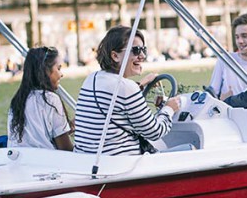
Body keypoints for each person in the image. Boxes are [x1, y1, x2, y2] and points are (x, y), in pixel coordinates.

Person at [73, 26, 182, 156]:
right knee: (189, 148)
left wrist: (141, 85)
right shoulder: (127, 88)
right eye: (135, 50)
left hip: (87, 160)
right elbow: (155, 132)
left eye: (143, 50)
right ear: (115, 56)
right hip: (120, 166)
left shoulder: (92, 79)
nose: (142, 56)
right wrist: (169, 108)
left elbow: (115, 101)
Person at [7, 47, 74, 151]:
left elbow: (35, 134)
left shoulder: (17, 100)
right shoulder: (51, 99)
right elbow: (65, 148)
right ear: (46, 70)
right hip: (44, 162)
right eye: (59, 68)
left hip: (18, 160)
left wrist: (67, 127)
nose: (61, 74)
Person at [207, 13, 247, 98]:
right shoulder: (225, 60)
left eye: (244, 36)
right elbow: (212, 94)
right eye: (237, 37)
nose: (240, 41)